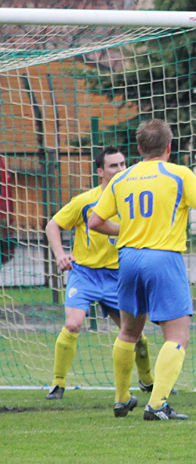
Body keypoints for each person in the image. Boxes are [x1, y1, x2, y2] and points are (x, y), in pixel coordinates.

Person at [89, 119, 196, 421]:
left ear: (138, 149)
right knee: (177, 335)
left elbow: (95, 222)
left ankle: (121, 398)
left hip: (128, 259)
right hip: (162, 258)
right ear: (169, 148)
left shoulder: (121, 179)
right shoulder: (178, 174)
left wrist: (127, 230)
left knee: (128, 331)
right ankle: (157, 404)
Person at [44, 148, 157, 400]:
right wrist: (60, 255)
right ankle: (58, 384)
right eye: (113, 166)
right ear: (100, 172)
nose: (120, 169)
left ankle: (148, 380)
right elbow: (53, 225)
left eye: (123, 164)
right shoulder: (85, 201)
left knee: (136, 336)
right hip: (84, 274)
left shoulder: (132, 201)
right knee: (73, 324)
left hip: (117, 277)